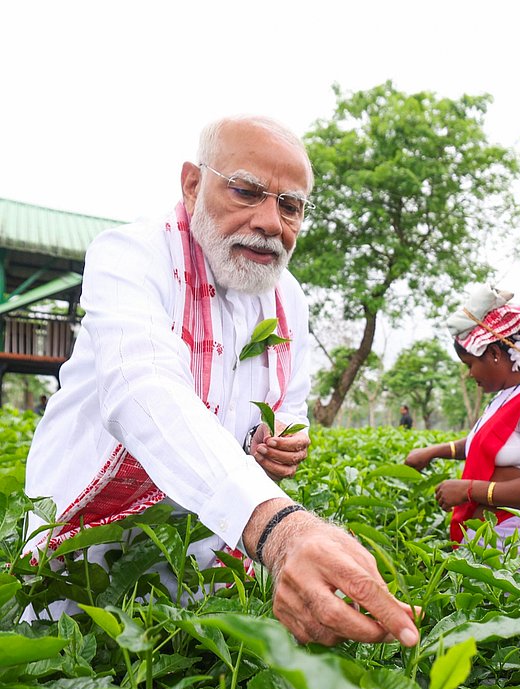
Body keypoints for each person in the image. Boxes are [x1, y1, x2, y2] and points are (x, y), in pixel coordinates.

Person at [23, 116, 420, 648]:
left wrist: (282, 441)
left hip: (208, 558)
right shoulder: (132, 256)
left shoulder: (288, 298)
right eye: (246, 192)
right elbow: (143, 388)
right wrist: (280, 528)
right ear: (192, 184)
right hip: (89, 557)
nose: (270, 222)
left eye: (290, 205)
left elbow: (290, 404)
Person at [404, 285, 520, 566]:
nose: (470, 374)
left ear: (493, 353)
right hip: (499, 544)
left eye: (470, 364)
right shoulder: (508, 397)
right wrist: (433, 452)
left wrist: (468, 490)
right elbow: (486, 444)